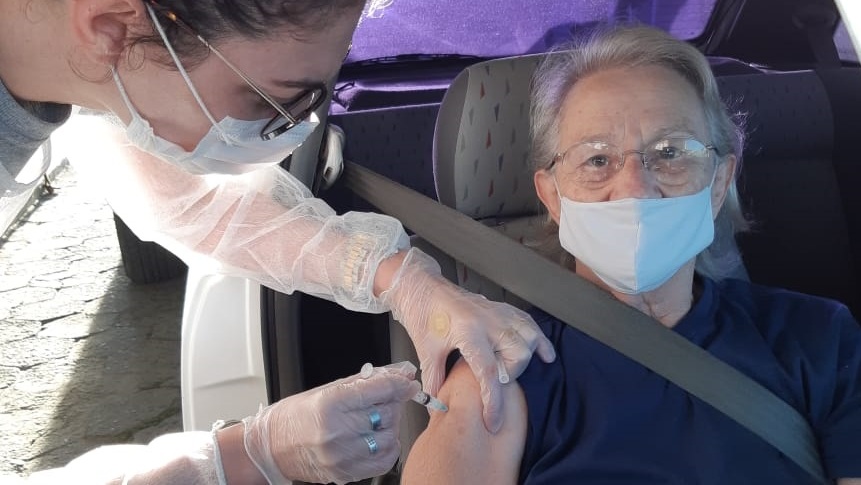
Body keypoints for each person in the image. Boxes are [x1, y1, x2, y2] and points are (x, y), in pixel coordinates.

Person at [0, 0, 557, 483]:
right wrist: (243, 456)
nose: (297, 131)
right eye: (270, 104)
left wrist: (402, 279)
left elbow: (199, 205)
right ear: (108, 26)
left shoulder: (96, 71)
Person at [401, 25, 861, 484]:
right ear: (554, 198)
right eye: (597, 160)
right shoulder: (506, 367)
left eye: (670, 152)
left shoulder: (820, 340)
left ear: (719, 184)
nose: (635, 188)